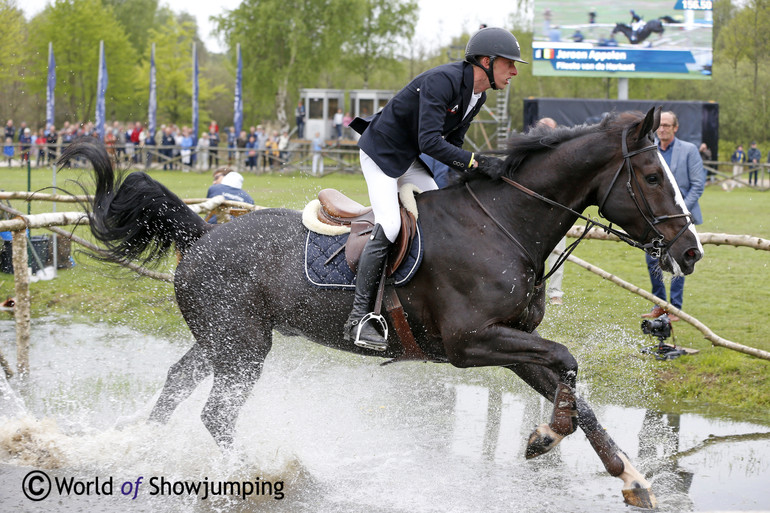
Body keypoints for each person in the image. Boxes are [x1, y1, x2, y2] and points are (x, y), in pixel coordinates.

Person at [344, 27, 526, 350]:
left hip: (409, 158)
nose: (513, 71)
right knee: (389, 224)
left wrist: (473, 175)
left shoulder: (478, 96)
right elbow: (431, 141)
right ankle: (359, 319)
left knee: (437, 214)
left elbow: (452, 145)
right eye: (509, 63)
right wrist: (477, 162)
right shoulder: (442, 81)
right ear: (486, 61)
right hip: (381, 153)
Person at [642, 111, 705, 322]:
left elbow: (698, 184)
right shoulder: (649, 151)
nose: (662, 129)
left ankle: (675, 308)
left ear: (675, 128)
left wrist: (679, 212)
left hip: (682, 219)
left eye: (667, 125)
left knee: (681, 259)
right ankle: (659, 305)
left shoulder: (688, 150)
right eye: (660, 126)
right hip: (656, 220)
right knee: (652, 260)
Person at [535, 117, 567, 305]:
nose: (544, 131)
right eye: (541, 128)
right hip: (532, 211)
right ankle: (531, 287)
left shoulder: (561, 154)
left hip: (555, 211)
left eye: (548, 129)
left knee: (557, 252)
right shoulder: (527, 151)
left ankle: (555, 294)